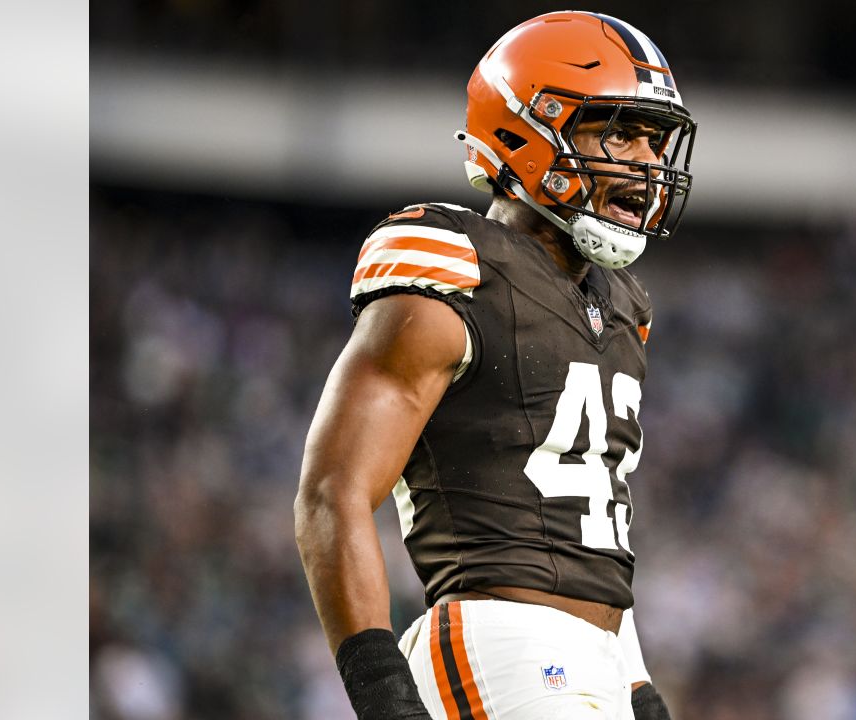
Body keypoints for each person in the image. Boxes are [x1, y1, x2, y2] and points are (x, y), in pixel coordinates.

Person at [294, 11, 697, 720]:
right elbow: (333, 491)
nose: (645, 160)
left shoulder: (623, 305)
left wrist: (637, 685)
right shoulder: (454, 263)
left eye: (655, 138)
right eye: (620, 131)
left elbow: (584, 531)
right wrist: (382, 692)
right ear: (525, 130)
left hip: (591, 661)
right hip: (498, 644)